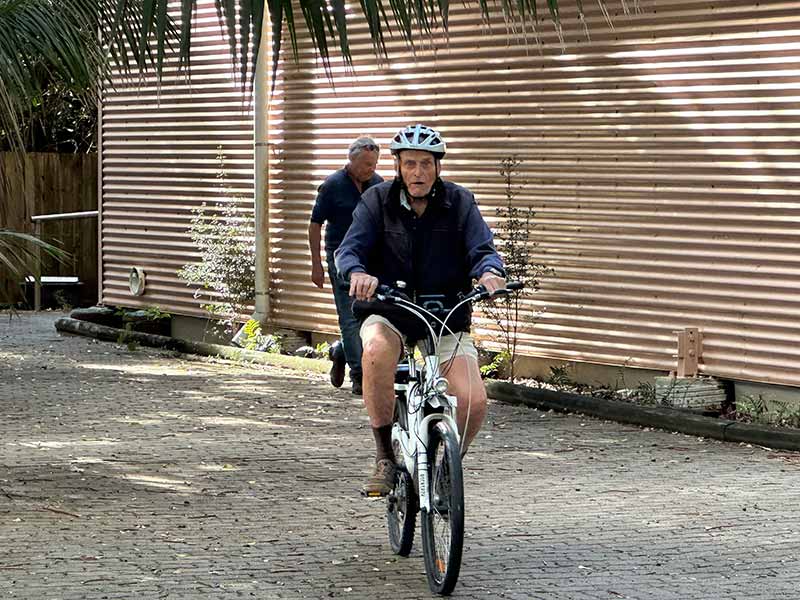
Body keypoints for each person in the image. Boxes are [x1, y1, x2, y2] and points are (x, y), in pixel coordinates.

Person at [334, 124, 507, 496]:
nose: (418, 172)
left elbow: (482, 248)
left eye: (426, 164)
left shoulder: (460, 202)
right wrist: (358, 273)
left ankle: (446, 465)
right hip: (389, 308)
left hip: (445, 314)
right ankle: (384, 456)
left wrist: (491, 273)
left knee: (473, 401)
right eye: (410, 163)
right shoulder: (376, 201)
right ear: (397, 166)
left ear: (438, 167)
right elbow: (349, 250)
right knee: (376, 351)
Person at [309, 137, 383, 395]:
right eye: (365, 164)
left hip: (371, 259)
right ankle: (359, 375)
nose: (369, 169)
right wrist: (316, 263)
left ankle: (341, 350)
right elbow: (315, 224)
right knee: (350, 316)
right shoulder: (332, 186)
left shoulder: (378, 185)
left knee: (370, 314)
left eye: (373, 164)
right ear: (350, 161)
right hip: (339, 257)